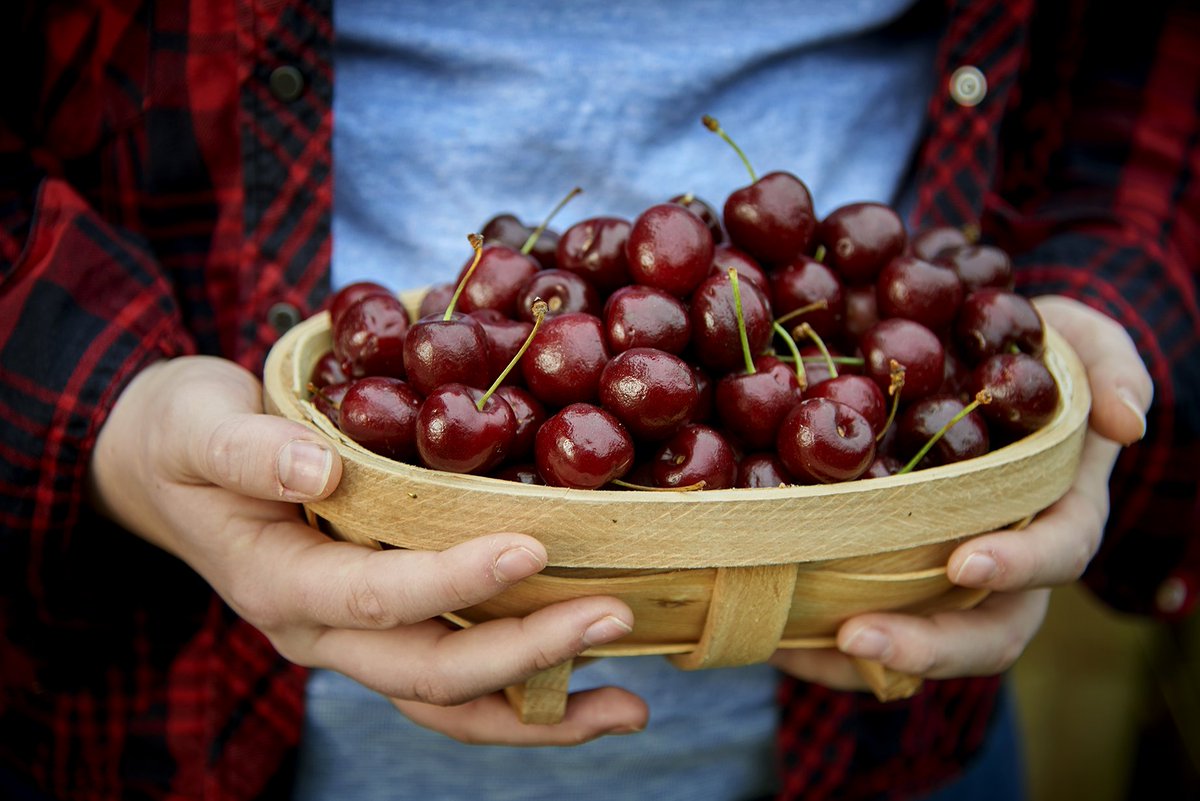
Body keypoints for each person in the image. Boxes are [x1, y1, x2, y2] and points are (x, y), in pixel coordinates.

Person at [0, 1, 1194, 800]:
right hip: (181, 717)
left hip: (900, 717)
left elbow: (1149, 71)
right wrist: (110, 407)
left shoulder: (798, 344)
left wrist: (1104, 304)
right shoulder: (498, 367)